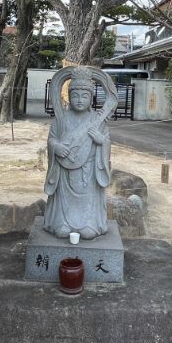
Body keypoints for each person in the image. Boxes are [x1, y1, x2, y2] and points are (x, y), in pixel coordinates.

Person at [43, 66, 116, 240]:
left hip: (89, 172)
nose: (79, 100)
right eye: (75, 95)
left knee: (89, 226)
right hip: (65, 172)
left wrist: (101, 141)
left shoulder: (97, 120)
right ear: (68, 97)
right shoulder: (62, 119)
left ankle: (89, 222)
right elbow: (52, 139)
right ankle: (62, 222)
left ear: (91, 98)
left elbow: (106, 141)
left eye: (84, 96)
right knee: (62, 226)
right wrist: (56, 147)